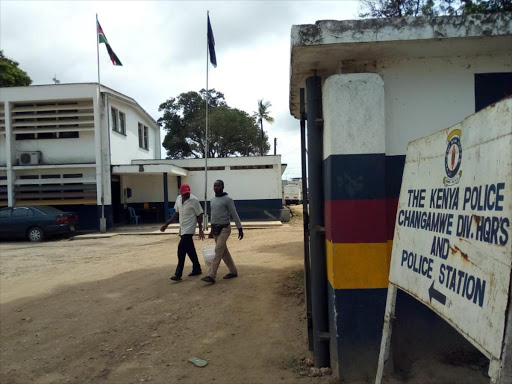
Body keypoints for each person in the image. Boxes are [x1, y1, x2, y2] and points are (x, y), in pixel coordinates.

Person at [201, 180, 244, 284]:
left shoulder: (228, 200)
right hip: (215, 229)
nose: (216, 188)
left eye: (218, 186)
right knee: (224, 252)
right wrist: (211, 230)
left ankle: (211, 275)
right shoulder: (212, 200)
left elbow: (234, 214)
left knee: (218, 250)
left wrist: (240, 228)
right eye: (214, 186)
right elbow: (213, 216)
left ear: (223, 187)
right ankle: (233, 271)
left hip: (225, 229)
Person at [160, 184, 205, 281]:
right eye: (185, 193)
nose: (187, 195)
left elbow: (199, 215)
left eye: (188, 193)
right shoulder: (178, 199)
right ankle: (197, 268)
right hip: (182, 228)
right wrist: (167, 224)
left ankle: (178, 274)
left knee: (181, 249)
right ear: (180, 192)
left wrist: (200, 229)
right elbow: (176, 213)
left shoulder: (194, 200)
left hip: (189, 229)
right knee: (190, 249)